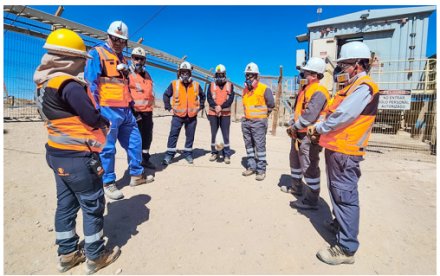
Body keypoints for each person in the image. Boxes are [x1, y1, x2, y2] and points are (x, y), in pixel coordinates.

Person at [34, 28, 120, 274]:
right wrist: (104, 121)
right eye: (81, 59)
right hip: (79, 157)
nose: (84, 63)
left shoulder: (43, 84)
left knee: (65, 204)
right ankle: (95, 256)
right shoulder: (68, 85)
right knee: (92, 205)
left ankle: (68, 254)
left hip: (57, 154)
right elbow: (91, 117)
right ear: (69, 59)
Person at [310, 41, 379, 265]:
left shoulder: (364, 87)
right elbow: (332, 111)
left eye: (344, 65)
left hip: (346, 152)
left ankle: (346, 248)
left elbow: (342, 117)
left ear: (358, 65)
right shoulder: (348, 89)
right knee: (338, 193)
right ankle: (340, 225)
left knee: (345, 197)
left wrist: (320, 128)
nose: (341, 70)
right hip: (337, 149)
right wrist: (321, 127)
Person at [85, 21, 153, 201]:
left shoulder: (123, 59)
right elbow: (90, 84)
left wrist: (131, 107)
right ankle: (108, 182)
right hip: (107, 110)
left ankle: (137, 175)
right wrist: (95, 111)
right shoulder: (97, 54)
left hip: (125, 110)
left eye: (122, 40)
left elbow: (124, 86)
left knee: (135, 143)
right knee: (107, 149)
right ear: (108, 36)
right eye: (115, 38)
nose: (118, 42)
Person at [281, 57, 330, 210]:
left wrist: (295, 127)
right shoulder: (305, 89)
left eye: (305, 73)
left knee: (309, 166)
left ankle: (311, 200)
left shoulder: (319, 91)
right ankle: (296, 187)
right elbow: (298, 110)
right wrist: (292, 123)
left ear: (314, 75)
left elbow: (310, 115)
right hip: (299, 133)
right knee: (295, 161)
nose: (302, 76)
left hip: (310, 135)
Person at [162, 61, 206, 165]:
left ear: (190, 73)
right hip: (178, 116)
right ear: (179, 73)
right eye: (183, 72)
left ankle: (188, 153)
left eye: (187, 72)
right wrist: (169, 108)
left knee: (190, 136)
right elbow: (166, 95)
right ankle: (169, 154)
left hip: (191, 117)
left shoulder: (196, 85)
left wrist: (200, 107)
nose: (185, 74)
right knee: (173, 134)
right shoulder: (174, 84)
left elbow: (203, 96)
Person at [241, 62, 275, 181]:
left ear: (256, 76)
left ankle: (261, 170)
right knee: (249, 146)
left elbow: (271, 104)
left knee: (260, 147)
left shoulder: (265, 89)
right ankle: (251, 166)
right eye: (247, 75)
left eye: (251, 75)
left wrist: (262, 117)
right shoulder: (245, 90)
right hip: (246, 122)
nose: (248, 78)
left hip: (259, 123)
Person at [128, 47, 156, 170]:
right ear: (131, 59)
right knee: (135, 140)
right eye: (136, 58)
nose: (138, 61)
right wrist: (133, 112)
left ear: (145, 61)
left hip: (148, 112)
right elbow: (125, 93)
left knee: (147, 137)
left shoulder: (148, 75)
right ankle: (135, 165)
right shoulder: (127, 74)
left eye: (141, 59)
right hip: (135, 112)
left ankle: (145, 160)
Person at [206, 64, 235, 164]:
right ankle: (214, 152)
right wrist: (215, 107)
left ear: (225, 75)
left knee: (225, 134)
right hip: (213, 114)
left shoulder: (230, 86)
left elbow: (230, 99)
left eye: (221, 74)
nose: (219, 77)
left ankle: (226, 154)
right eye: (217, 75)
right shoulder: (211, 85)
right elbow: (209, 98)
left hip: (225, 115)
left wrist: (221, 107)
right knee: (214, 134)